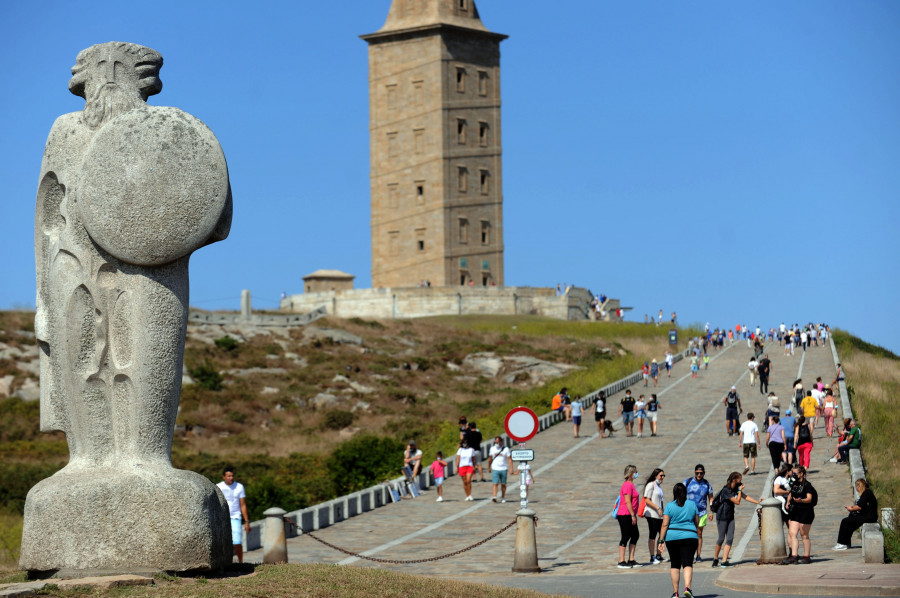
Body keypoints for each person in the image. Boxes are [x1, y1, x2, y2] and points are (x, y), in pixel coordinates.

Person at [712, 472, 762, 567]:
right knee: (721, 538)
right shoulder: (726, 490)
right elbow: (737, 502)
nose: (741, 481)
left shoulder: (736, 488)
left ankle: (724, 560)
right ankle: (715, 558)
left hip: (730, 517)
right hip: (722, 517)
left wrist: (758, 502)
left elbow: (745, 497)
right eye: (739, 479)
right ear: (734, 480)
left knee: (730, 538)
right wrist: (739, 491)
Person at [659, 482, 699, 598]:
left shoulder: (669, 506)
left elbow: (665, 524)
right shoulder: (692, 504)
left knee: (675, 564)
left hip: (672, 537)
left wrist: (661, 541)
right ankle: (688, 588)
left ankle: (675, 593)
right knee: (688, 563)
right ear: (685, 493)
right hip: (690, 536)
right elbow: (697, 521)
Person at [783, 465, 817, 564]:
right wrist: (788, 502)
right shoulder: (794, 483)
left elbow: (809, 498)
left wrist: (801, 500)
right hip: (795, 511)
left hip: (806, 512)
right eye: (792, 473)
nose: (793, 476)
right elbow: (791, 493)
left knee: (804, 535)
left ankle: (807, 557)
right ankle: (794, 556)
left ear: (801, 474)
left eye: (795, 474)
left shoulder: (807, 485)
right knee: (792, 533)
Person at [217, 466, 250, 563]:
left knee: (237, 541)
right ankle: (223, 562)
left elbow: (243, 505)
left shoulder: (239, 487)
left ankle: (240, 562)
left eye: (232, 476)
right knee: (222, 542)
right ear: (223, 477)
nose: (231, 478)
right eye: (228, 476)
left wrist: (247, 521)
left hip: (235, 517)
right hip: (222, 518)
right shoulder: (219, 487)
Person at [834, 478, 878, 550]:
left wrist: (851, 508)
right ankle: (846, 543)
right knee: (850, 518)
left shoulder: (866, 493)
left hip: (869, 517)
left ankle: (842, 543)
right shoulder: (867, 492)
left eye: (856, 487)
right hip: (868, 515)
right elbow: (862, 506)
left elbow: (859, 507)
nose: (857, 489)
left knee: (845, 521)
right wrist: (853, 508)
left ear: (859, 486)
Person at [684, 464, 714, 562]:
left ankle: (698, 555)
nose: (699, 475)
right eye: (697, 473)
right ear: (695, 472)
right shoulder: (687, 482)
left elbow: (711, 498)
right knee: (689, 534)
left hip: (702, 512)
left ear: (704, 473)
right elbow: (681, 495)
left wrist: (712, 511)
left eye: (701, 473)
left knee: (699, 534)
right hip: (689, 512)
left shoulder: (707, 484)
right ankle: (690, 554)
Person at [617, 464, 642, 568]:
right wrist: (632, 515)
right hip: (625, 514)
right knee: (626, 535)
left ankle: (631, 559)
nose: (636, 474)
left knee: (635, 535)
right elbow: (628, 502)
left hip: (630, 514)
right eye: (635, 472)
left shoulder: (631, 485)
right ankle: (621, 561)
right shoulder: (627, 485)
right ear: (631, 474)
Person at [643, 468, 667, 564]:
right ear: (655, 476)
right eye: (661, 475)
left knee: (661, 534)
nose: (662, 477)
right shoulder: (651, 485)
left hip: (659, 515)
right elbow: (647, 500)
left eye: (663, 476)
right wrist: (657, 508)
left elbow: (660, 501)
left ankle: (658, 554)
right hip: (651, 514)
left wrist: (664, 512)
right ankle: (652, 556)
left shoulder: (658, 486)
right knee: (652, 534)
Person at [487, 437, 510, 503]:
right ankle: (494, 496)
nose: (496, 444)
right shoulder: (492, 448)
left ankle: (503, 497)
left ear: (501, 442)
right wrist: (489, 467)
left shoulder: (506, 449)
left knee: (503, 484)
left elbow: (509, 459)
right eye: (495, 442)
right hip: (495, 468)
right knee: (495, 483)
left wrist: (511, 468)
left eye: (497, 442)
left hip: (503, 468)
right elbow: (490, 458)